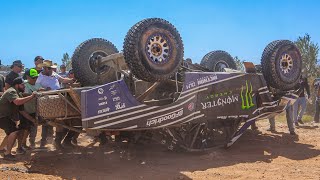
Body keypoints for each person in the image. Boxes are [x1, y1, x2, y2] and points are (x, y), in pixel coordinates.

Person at [36, 60, 75, 149]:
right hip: (47, 101)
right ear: (45, 68)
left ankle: (56, 142)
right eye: (49, 68)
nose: (51, 70)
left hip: (58, 99)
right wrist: (45, 90)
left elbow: (62, 80)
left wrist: (71, 80)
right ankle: (44, 143)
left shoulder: (54, 74)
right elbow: (37, 89)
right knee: (47, 123)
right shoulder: (40, 77)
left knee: (60, 121)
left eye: (51, 68)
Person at [0, 77, 36, 160]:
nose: (24, 86)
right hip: (1, 116)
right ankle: (7, 154)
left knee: (11, 132)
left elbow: (22, 111)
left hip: (4, 116)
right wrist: (31, 96)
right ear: (17, 85)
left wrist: (33, 120)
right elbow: (17, 101)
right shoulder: (11, 91)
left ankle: (1, 149)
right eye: (22, 84)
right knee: (13, 131)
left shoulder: (18, 93)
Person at [22, 68, 44, 148]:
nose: (35, 79)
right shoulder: (23, 84)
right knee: (25, 128)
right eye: (33, 77)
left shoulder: (38, 85)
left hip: (35, 110)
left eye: (36, 77)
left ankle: (32, 142)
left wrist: (43, 90)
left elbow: (43, 91)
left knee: (34, 127)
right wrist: (32, 95)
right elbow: (21, 94)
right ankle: (22, 144)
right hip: (25, 110)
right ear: (27, 77)